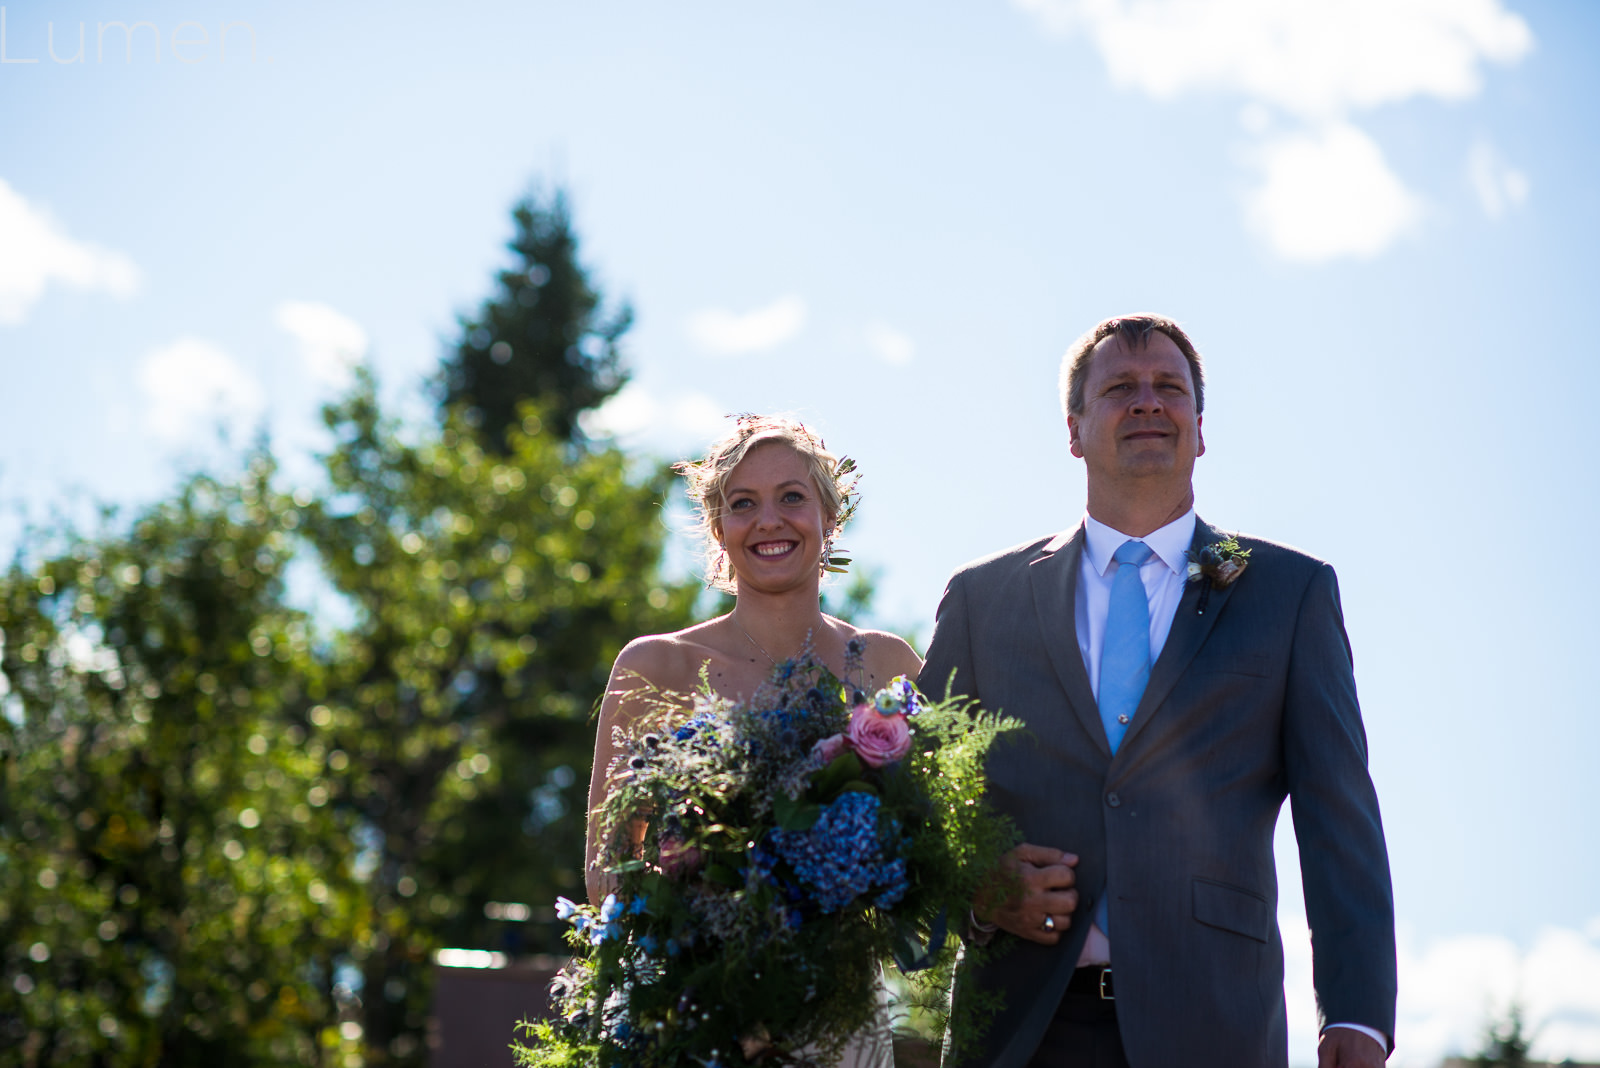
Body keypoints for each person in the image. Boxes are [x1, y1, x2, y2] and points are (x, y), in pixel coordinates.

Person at [920, 315, 1397, 1068]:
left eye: (1168, 387)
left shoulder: (1289, 592)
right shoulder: (983, 599)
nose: (1147, 402)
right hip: (1019, 1027)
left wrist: (1360, 1013)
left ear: (1199, 430)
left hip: (1216, 1022)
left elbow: (1339, 815)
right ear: (1073, 430)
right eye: (1119, 388)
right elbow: (924, 800)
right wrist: (979, 890)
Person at [583, 414, 922, 1068]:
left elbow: (933, 847)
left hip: (838, 1014)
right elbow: (606, 871)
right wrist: (713, 967)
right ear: (718, 529)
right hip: (689, 1008)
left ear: (830, 515)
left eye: (792, 497)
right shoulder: (654, 668)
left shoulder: (889, 667)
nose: (769, 520)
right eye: (743, 504)